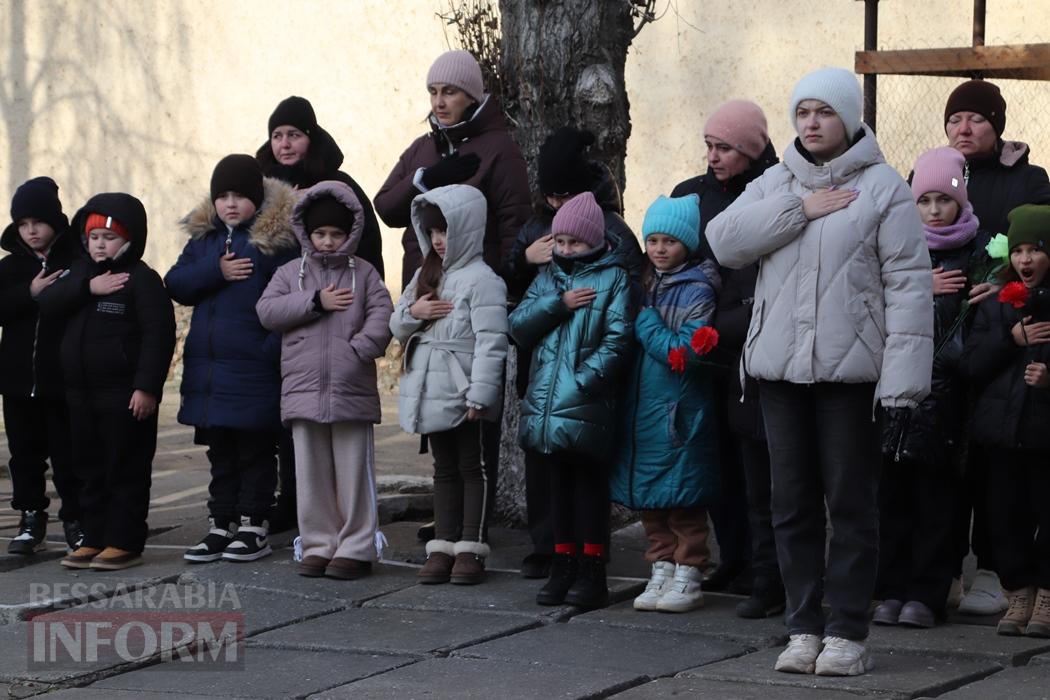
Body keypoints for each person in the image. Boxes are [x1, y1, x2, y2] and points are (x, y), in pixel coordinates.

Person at [707, 67, 933, 676]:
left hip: (850, 377)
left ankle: (847, 635)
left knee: (852, 504)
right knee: (792, 504)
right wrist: (799, 209)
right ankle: (802, 628)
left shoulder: (885, 187)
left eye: (823, 112)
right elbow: (724, 241)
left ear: (849, 118)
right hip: (780, 372)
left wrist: (903, 382)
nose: (811, 123)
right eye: (802, 112)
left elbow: (908, 288)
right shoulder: (777, 181)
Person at [501, 126, 644, 579]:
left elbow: (622, 312)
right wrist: (527, 262)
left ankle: (588, 557)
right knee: (545, 467)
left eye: (565, 195)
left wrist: (585, 379)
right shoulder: (537, 228)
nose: (557, 205)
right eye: (550, 195)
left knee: (583, 474)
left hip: (584, 378)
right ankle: (551, 548)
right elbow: (513, 296)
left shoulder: (611, 233)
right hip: (543, 369)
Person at [942, 79, 1050, 616]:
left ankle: (991, 570)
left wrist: (1002, 279)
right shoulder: (932, 171)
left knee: (995, 460)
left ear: (997, 125)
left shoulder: (1028, 179)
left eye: (976, 119)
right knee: (945, 456)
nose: (964, 128)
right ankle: (943, 568)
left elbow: (1036, 247)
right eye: (955, 119)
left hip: (1001, 328)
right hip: (947, 325)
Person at [671, 99, 782, 610]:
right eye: (709, 147)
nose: (713, 157)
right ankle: (731, 555)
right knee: (712, 457)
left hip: (746, 340)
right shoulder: (690, 196)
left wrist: (721, 322)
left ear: (752, 151)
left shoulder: (772, 191)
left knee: (755, 467)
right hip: (700, 344)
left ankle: (767, 569)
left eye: (725, 149)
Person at [257, 95, 386, 535]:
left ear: (310, 137)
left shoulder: (337, 186)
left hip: (338, 321)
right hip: (283, 316)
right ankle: (291, 502)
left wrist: (362, 335)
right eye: (277, 135)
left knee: (334, 427)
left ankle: (343, 518)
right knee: (290, 420)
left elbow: (368, 257)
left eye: (294, 134)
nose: (285, 143)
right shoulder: (262, 187)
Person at [874, 147, 987, 629]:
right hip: (894, 398)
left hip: (946, 402)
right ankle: (889, 589)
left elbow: (978, 333)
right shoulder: (898, 249)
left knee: (938, 504)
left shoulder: (978, 256)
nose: (935, 210)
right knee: (890, 501)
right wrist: (922, 284)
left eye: (945, 200)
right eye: (925, 201)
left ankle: (927, 592)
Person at [256, 180, 393, 580]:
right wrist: (315, 302)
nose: (329, 242)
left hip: (351, 387)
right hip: (303, 390)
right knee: (310, 474)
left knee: (353, 471)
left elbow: (382, 314)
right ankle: (318, 544)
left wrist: (360, 350)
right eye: (321, 233)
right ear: (306, 233)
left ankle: (356, 546)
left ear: (349, 232)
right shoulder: (290, 273)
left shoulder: (364, 274)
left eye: (336, 233)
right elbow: (267, 310)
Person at [166, 154, 298, 564]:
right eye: (222, 196)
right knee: (220, 453)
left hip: (254, 368)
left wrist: (269, 351)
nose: (230, 204)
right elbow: (177, 283)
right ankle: (220, 523)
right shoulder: (204, 241)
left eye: (239, 195)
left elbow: (290, 299)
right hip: (211, 372)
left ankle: (253, 524)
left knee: (255, 452)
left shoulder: (272, 243)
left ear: (256, 199)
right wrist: (216, 271)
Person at [38, 193, 175, 570]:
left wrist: (147, 387)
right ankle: (93, 537)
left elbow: (158, 335)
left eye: (109, 238)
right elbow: (48, 305)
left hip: (124, 396)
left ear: (130, 240)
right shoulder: (80, 274)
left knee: (124, 469)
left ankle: (124, 540)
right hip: (80, 395)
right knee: (88, 470)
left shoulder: (142, 281)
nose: (100, 244)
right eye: (94, 236)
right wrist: (87, 289)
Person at [509, 191, 633, 609]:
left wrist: (581, 383)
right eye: (560, 242)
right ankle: (562, 563)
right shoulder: (549, 278)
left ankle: (592, 568)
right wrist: (557, 305)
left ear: (594, 241)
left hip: (584, 401)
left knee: (588, 489)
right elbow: (519, 326)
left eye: (574, 243)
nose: (565, 250)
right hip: (546, 404)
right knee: (556, 488)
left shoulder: (612, 278)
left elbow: (617, 339)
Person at [389, 184, 508, 585]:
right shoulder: (427, 274)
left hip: (463, 388)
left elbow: (492, 342)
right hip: (430, 387)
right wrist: (415, 312)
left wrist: (481, 392)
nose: (438, 241)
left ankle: (470, 547)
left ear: (467, 229)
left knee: (472, 466)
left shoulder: (483, 280)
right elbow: (397, 323)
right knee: (443, 468)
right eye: (432, 232)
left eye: (445, 231)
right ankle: (442, 544)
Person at [610, 194, 721, 614]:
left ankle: (689, 570)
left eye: (669, 242)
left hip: (677, 408)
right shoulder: (643, 282)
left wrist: (647, 321)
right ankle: (661, 565)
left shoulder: (696, 289)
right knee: (651, 498)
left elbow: (686, 352)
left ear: (687, 245)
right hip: (643, 409)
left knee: (682, 498)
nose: (658, 249)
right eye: (652, 240)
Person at [961, 204, 1050, 638]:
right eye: (1019, 250)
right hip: (1000, 433)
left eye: (1037, 250)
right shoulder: (997, 302)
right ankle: (1019, 592)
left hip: (1043, 434)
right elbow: (972, 364)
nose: (1026, 260)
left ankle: (1047, 595)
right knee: (1004, 517)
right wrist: (1011, 339)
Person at [375, 49, 531, 289]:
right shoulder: (422, 148)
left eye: (449, 92)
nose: (439, 103)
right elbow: (386, 209)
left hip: (473, 298)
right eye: (433, 92)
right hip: (420, 295)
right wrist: (425, 179)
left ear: (471, 97)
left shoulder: (500, 149)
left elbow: (514, 228)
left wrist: (503, 291)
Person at [0, 177, 82, 554]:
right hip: (17, 382)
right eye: (23, 224)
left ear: (56, 221)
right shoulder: (11, 268)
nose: (31, 231)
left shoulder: (75, 261)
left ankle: (76, 518)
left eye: (39, 222)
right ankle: (31, 517)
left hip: (60, 380)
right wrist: (29, 294)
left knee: (68, 453)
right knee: (24, 455)